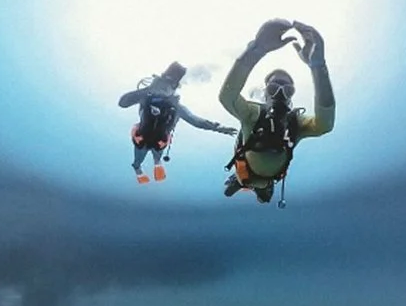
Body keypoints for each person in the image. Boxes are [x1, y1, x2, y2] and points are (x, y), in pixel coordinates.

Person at [217, 18, 336, 205]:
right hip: (245, 172)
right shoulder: (252, 113)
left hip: (268, 180)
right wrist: (256, 50)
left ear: (292, 96)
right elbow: (227, 97)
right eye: (273, 88)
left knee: (264, 198)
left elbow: (324, 124)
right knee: (236, 186)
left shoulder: (295, 122)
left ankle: (257, 186)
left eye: (288, 90)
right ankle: (238, 181)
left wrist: (318, 67)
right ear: (265, 93)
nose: (280, 94)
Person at [117, 61, 236, 182]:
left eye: (169, 84)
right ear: (157, 81)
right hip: (141, 139)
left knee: (158, 148)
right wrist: (146, 91)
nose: (164, 88)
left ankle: (157, 162)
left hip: (159, 141)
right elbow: (122, 103)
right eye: (163, 82)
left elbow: (195, 121)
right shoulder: (145, 97)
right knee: (139, 157)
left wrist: (218, 128)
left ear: (174, 88)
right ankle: (138, 168)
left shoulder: (175, 107)